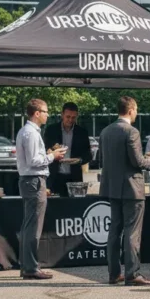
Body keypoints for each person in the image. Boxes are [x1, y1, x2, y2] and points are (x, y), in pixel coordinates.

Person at [99, 96, 150, 286]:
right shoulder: (132, 132)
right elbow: (137, 161)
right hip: (131, 188)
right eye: (136, 110)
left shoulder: (105, 131)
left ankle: (114, 273)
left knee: (114, 230)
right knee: (132, 232)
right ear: (131, 110)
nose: (136, 113)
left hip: (112, 187)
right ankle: (132, 273)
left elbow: (111, 159)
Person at [15, 99, 66, 280]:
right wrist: (52, 156)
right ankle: (30, 267)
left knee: (30, 225)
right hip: (33, 180)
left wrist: (50, 155)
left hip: (31, 180)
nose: (47, 114)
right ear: (36, 113)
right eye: (45, 111)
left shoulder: (29, 132)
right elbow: (34, 161)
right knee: (33, 226)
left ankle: (28, 266)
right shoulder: (31, 133)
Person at [43, 102, 91, 197]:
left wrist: (79, 160)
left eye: (73, 117)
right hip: (55, 177)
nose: (70, 120)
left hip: (74, 177)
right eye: (68, 117)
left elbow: (88, 155)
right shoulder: (51, 130)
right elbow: (45, 149)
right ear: (62, 115)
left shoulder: (82, 132)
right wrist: (51, 153)